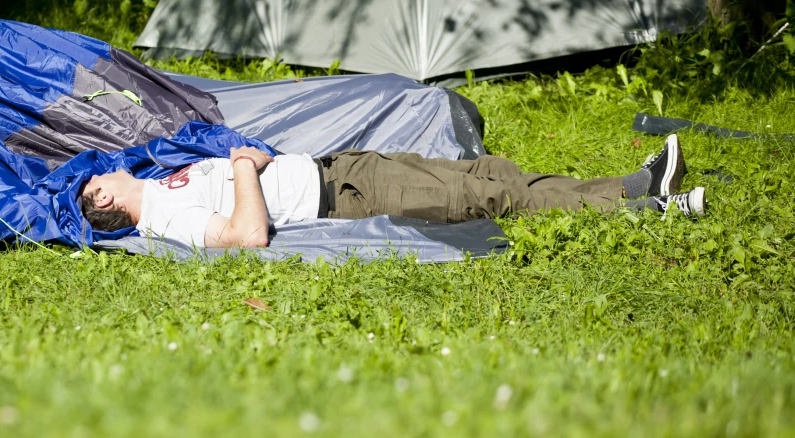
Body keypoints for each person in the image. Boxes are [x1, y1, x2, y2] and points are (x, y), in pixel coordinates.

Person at [79, 134, 705, 249]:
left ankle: (635, 187)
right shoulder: (164, 218)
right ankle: (654, 207)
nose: (104, 169)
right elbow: (247, 235)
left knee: (486, 176)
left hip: (341, 168)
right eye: (97, 179)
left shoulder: (160, 190)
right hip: (346, 196)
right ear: (105, 200)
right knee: (486, 199)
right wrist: (245, 166)